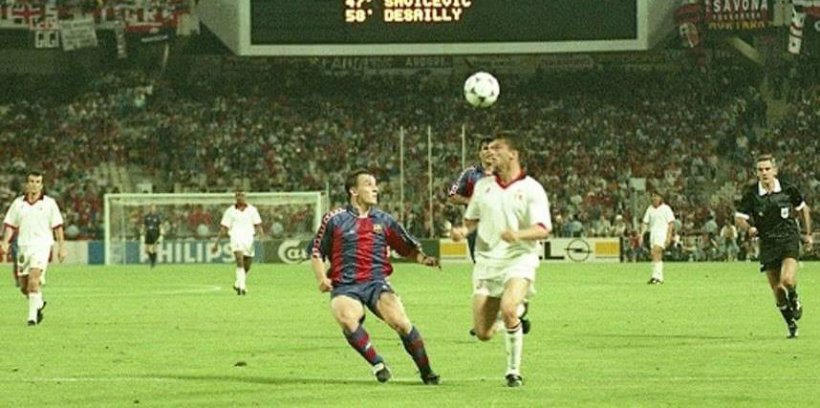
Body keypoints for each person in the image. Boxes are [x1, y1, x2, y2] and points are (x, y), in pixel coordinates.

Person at [308, 169, 441, 385]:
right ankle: (378, 363)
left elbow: (406, 249)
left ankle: (427, 372)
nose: (375, 189)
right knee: (345, 317)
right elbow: (316, 251)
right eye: (368, 184)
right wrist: (322, 278)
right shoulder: (334, 219)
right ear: (353, 191)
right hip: (345, 285)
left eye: (375, 184)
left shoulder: (384, 220)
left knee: (401, 323)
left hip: (376, 283)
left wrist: (425, 259)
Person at [450, 134, 552, 387]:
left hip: (519, 258)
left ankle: (513, 371)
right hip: (487, 262)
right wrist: (462, 231)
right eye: (488, 149)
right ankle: (512, 314)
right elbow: (471, 219)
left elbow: (543, 229)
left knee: (508, 308)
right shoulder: (483, 186)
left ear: (513, 155)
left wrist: (518, 235)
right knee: (483, 333)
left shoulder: (532, 188)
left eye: (497, 149)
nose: (490, 153)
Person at [735, 154, 812, 338]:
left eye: (767, 169)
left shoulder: (787, 188)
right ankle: (791, 324)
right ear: (756, 172)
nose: (764, 173)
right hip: (768, 243)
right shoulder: (752, 194)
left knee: (787, 281)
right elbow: (739, 217)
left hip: (788, 239)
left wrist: (807, 234)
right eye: (760, 170)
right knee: (777, 290)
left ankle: (794, 297)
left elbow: (803, 209)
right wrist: (749, 228)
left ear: (775, 170)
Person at [0, 170, 67, 326]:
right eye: (31, 181)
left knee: (33, 280)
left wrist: (61, 247)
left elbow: (57, 226)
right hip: (23, 247)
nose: (34, 185)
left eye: (38, 182)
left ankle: (32, 318)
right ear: (26, 184)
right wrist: (5, 242)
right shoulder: (18, 204)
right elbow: (10, 225)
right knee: (24, 287)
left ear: (41, 185)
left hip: (42, 246)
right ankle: (39, 302)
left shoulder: (49, 204)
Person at [447, 137, 494, 262]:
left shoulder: (504, 173)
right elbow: (452, 195)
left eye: (493, 148)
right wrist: (471, 202)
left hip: (499, 226)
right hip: (475, 226)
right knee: (480, 265)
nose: (489, 151)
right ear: (479, 153)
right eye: (485, 148)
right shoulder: (470, 174)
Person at [211, 190, 263, 296]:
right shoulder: (230, 211)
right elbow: (224, 228)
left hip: (249, 239)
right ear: (235, 197)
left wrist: (261, 235)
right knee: (239, 260)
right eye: (238, 195)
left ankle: (237, 283)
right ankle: (242, 287)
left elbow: (258, 225)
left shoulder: (252, 210)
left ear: (245, 197)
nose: (240, 197)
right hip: (236, 237)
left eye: (242, 195)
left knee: (247, 265)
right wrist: (216, 243)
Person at [639, 191, 675, 284]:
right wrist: (641, 235)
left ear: (660, 198)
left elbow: (671, 223)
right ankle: (655, 276)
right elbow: (645, 222)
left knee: (657, 251)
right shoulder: (650, 209)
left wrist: (669, 236)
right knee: (654, 254)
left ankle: (659, 277)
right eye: (653, 196)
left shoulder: (666, 209)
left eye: (656, 196)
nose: (654, 198)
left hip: (662, 233)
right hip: (653, 234)